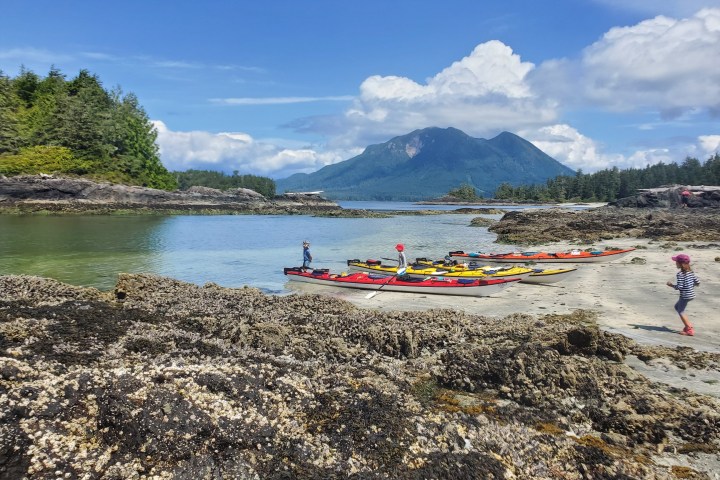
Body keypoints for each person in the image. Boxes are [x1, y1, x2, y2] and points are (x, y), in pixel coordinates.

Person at [666, 253, 700, 336]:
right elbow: (698, 282)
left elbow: (679, 287)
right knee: (677, 307)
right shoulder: (691, 272)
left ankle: (689, 329)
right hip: (691, 294)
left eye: (676, 262)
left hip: (685, 295)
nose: (675, 263)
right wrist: (691, 286)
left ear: (680, 264)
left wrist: (671, 285)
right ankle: (687, 326)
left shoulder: (680, 274)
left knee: (680, 311)